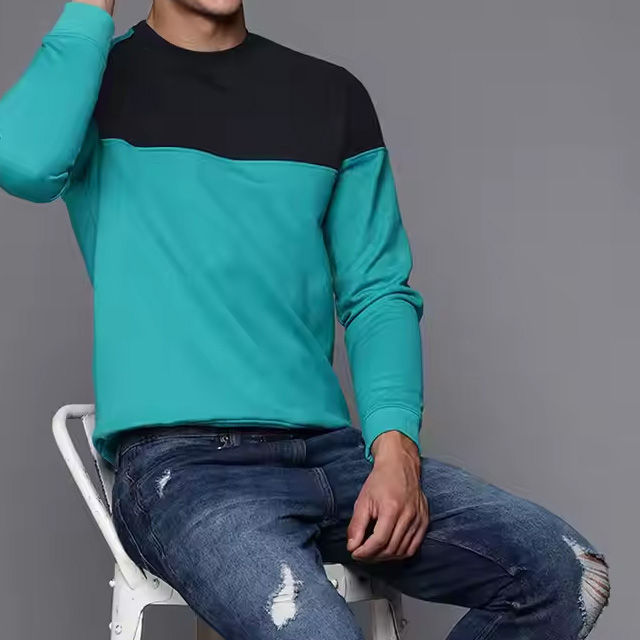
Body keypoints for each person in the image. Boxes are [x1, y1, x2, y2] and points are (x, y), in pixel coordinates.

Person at [0, 1, 611, 638]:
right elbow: (21, 161)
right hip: (183, 470)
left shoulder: (330, 96)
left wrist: (395, 450)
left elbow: (378, 291)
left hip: (332, 455)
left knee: (564, 575)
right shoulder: (90, 84)